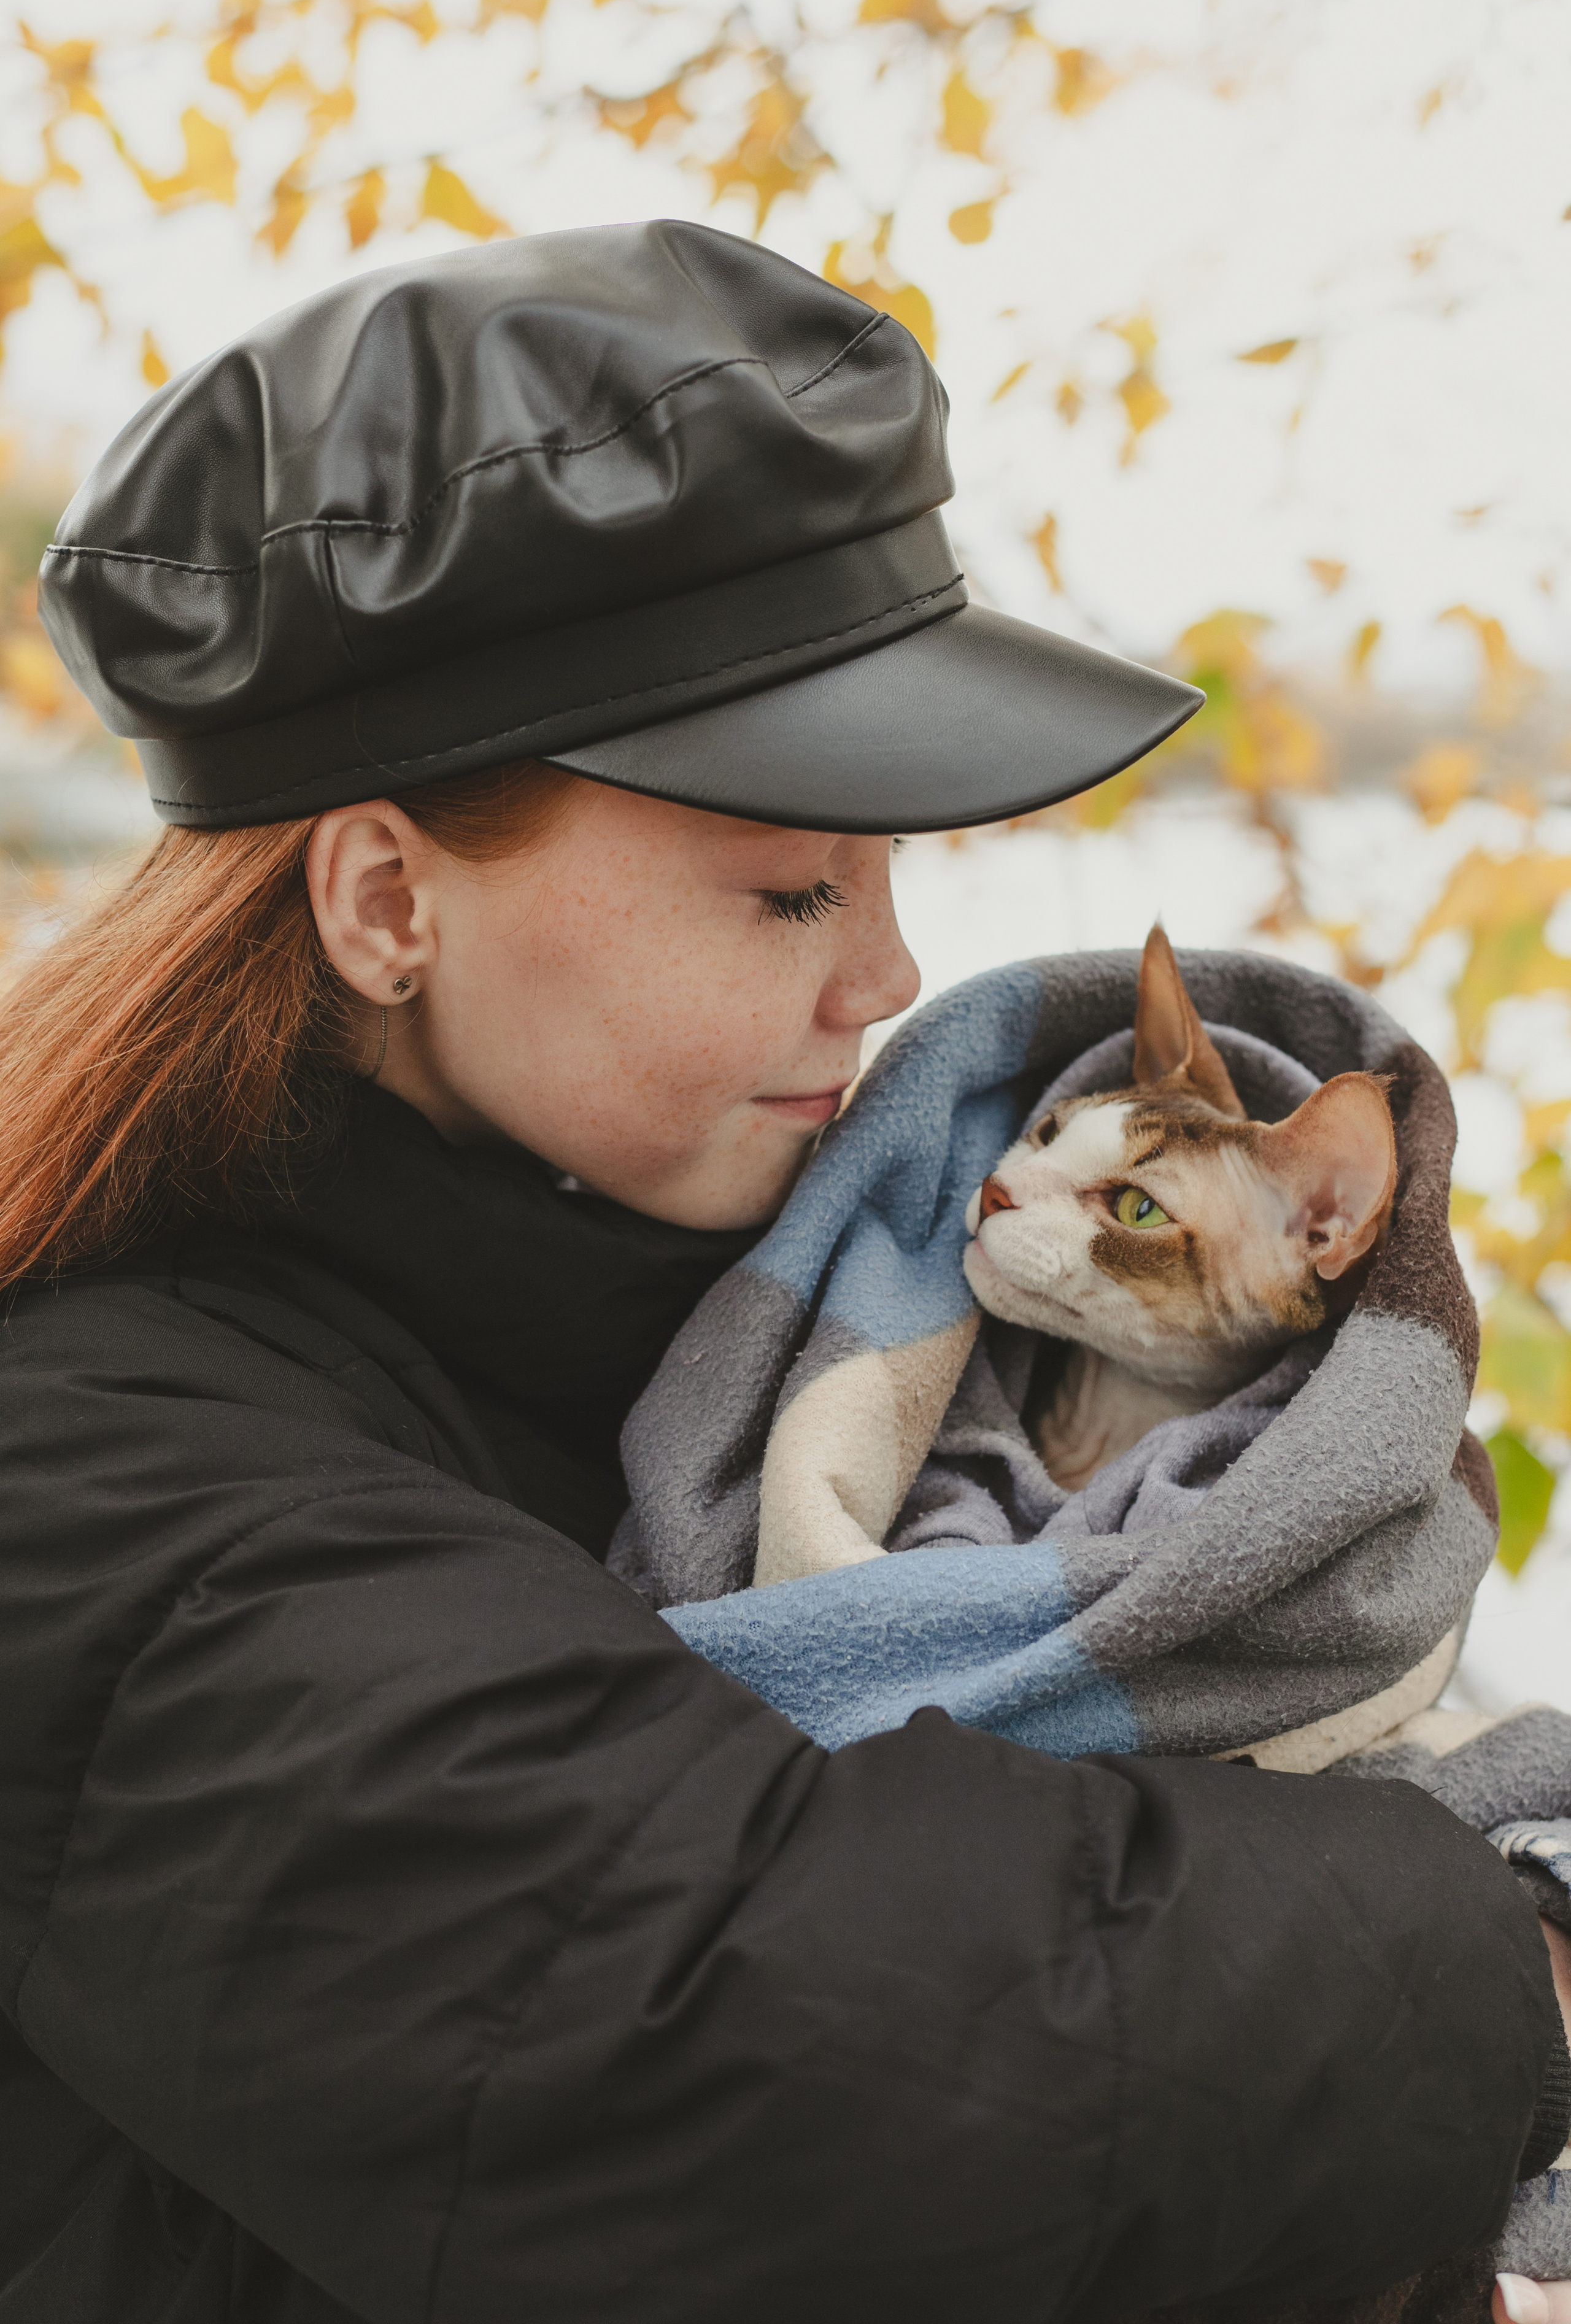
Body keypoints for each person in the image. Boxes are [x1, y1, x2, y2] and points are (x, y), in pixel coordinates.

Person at [1, 218, 1567, 2324]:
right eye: (785, 891)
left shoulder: (778, 1356)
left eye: (896, 875)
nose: (893, 976)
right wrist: (1523, 1951)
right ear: (387, 902)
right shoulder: (89, 1484)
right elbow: (779, 2033)